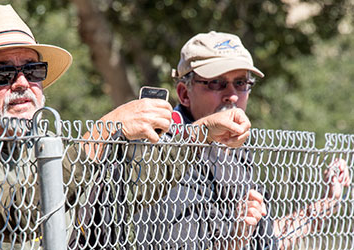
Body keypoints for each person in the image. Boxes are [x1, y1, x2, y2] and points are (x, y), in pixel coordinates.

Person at [0, 6, 251, 250]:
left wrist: (200, 134)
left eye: (33, 70)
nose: (22, 83)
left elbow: (128, 190)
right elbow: (9, 213)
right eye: (2, 73)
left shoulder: (44, 143)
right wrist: (102, 133)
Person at [135, 31, 351, 249]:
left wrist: (328, 202)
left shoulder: (236, 150)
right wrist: (236, 239)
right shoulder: (162, 154)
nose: (233, 95)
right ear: (184, 94)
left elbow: (267, 241)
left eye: (241, 83)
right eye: (216, 83)